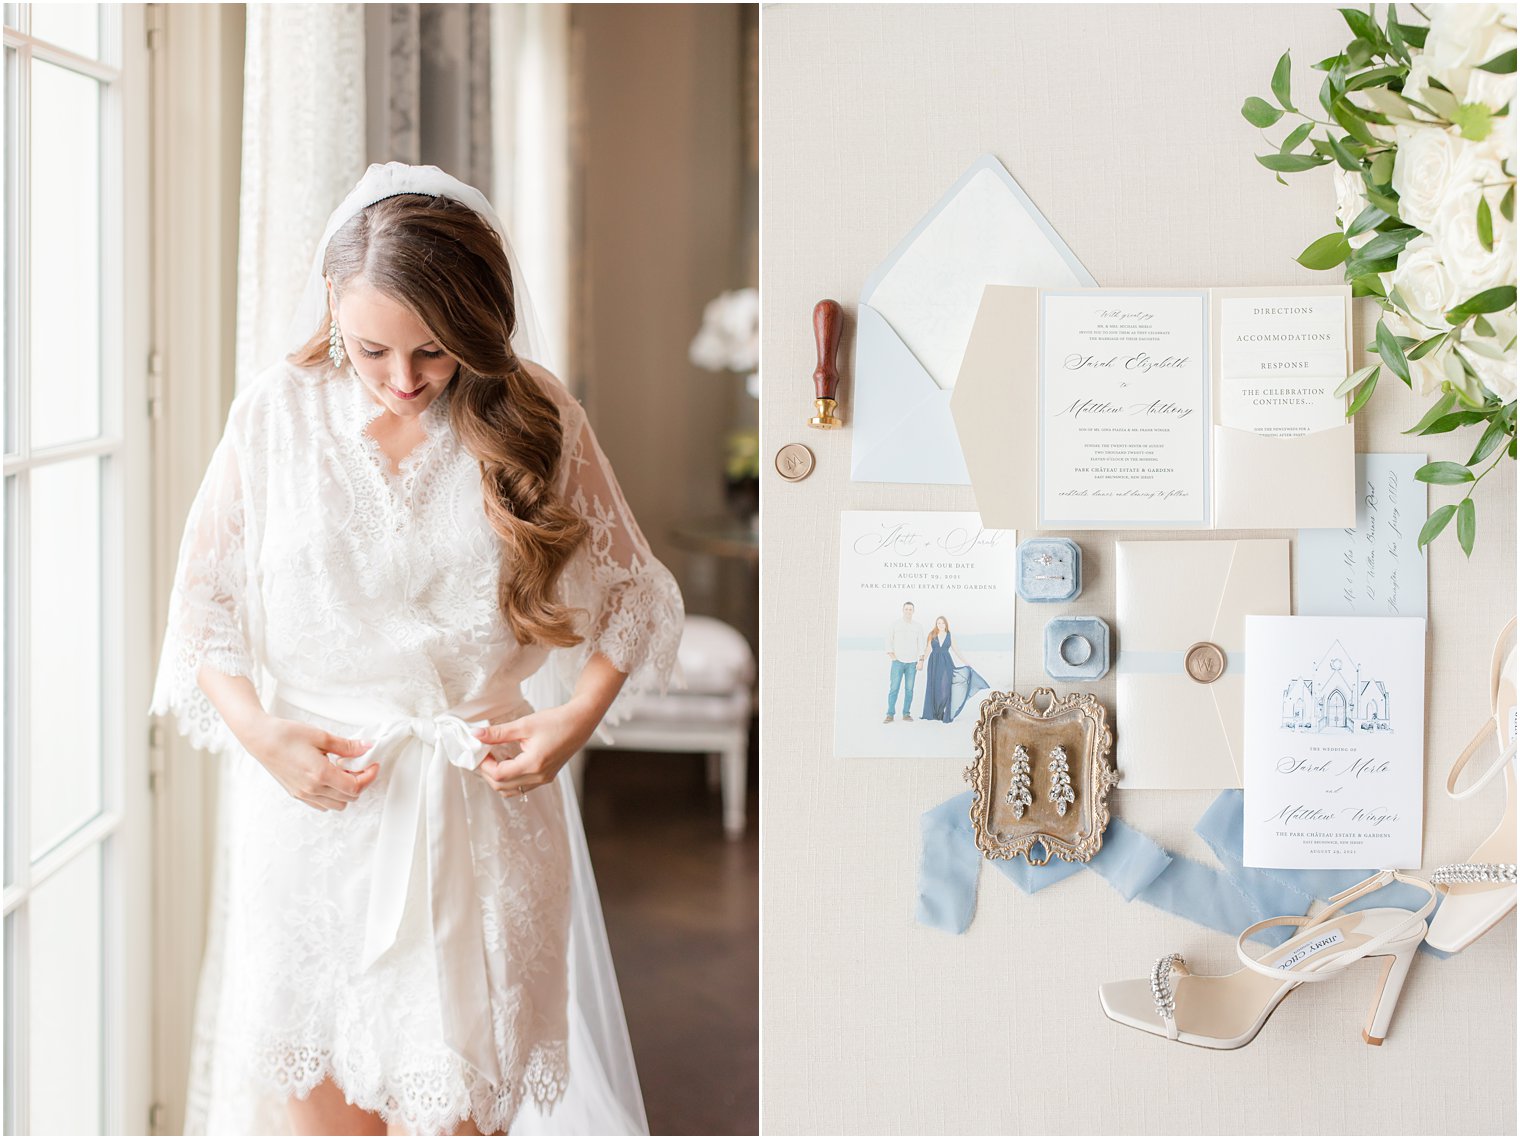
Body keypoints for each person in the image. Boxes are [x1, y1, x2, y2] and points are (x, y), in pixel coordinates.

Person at [148, 162, 683, 1137]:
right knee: (316, 1106)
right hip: (314, 819)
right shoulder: (273, 415)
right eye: (370, 350)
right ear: (331, 306)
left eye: (434, 351)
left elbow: (635, 599)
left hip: (480, 811)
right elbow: (204, 608)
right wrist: (262, 733)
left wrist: (570, 716)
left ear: (479, 325)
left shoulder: (537, 417)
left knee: (458, 1115)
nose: (403, 380)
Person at [919, 616, 990, 724]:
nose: (941, 625)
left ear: (946, 624)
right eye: (938, 623)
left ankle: (943, 712)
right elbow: (927, 650)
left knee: (945, 688)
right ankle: (934, 713)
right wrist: (921, 661)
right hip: (934, 664)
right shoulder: (932, 634)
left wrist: (966, 662)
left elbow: (956, 650)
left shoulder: (949, 636)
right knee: (934, 687)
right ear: (936, 624)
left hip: (946, 663)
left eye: (942, 623)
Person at [884, 601, 925, 723]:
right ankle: (890, 714)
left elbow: (921, 644)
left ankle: (906, 714)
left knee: (909, 690)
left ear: (913, 611)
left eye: (910, 609)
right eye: (906, 609)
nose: (908, 611)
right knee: (894, 689)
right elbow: (888, 641)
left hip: (912, 663)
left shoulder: (918, 626)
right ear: (903, 610)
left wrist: (921, 660)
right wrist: (893, 656)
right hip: (897, 662)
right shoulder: (895, 625)